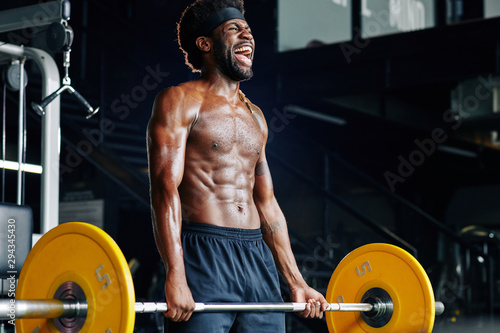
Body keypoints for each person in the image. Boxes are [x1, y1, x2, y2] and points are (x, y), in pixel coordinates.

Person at [147, 0, 328, 331]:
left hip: (257, 257)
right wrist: (175, 274)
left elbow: (267, 203)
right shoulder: (179, 101)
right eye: (234, 29)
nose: (248, 35)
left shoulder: (256, 116)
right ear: (205, 44)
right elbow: (164, 188)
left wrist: (295, 280)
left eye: (248, 30)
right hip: (205, 253)